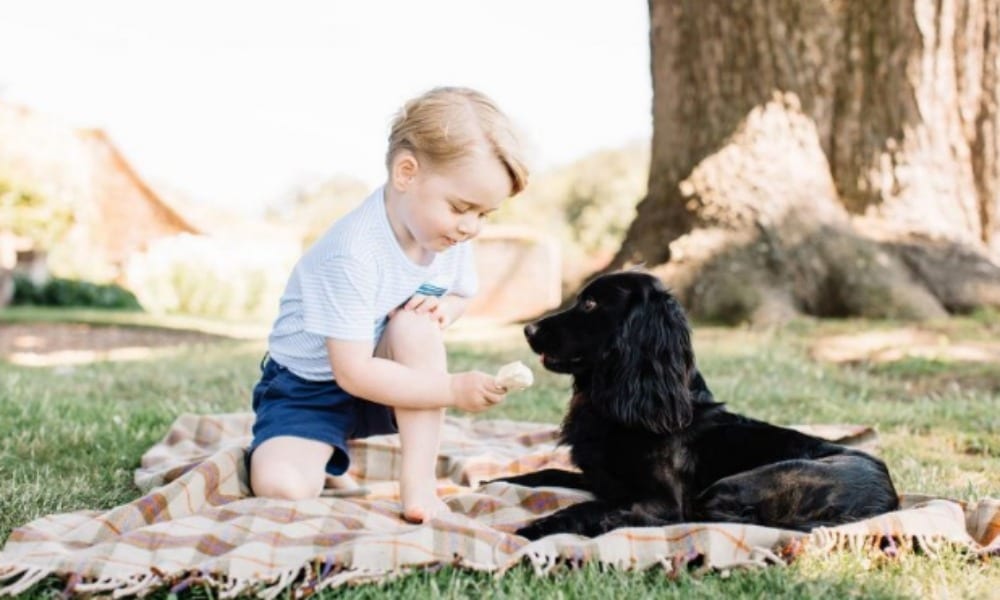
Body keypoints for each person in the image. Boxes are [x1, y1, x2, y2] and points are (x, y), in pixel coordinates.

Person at [248, 86, 530, 524]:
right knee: (283, 489)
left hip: (389, 377)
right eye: (462, 207)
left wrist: (443, 312)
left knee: (416, 327)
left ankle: (417, 486)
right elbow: (353, 372)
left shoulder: (445, 235)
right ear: (406, 172)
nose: (471, 227)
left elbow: (458, 294)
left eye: (484, 214)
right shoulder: (353, 252)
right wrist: (453, 389)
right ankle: (314, 452)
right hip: (310, 388)